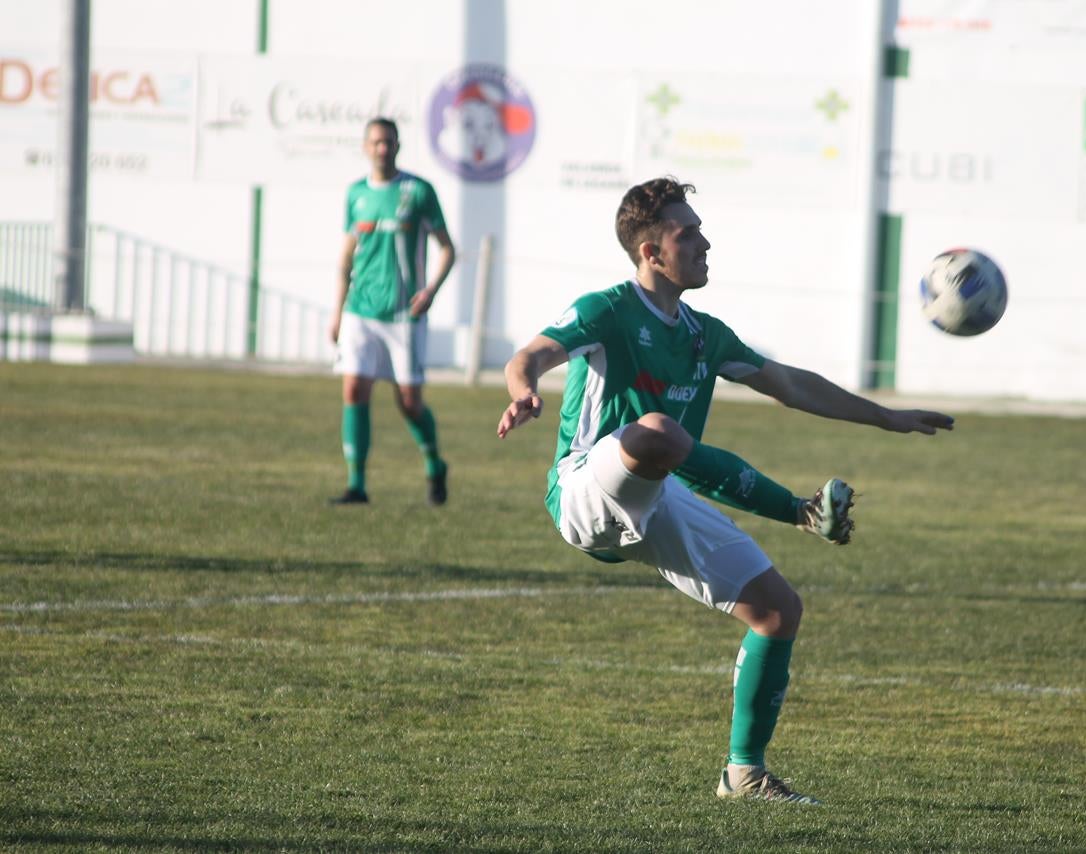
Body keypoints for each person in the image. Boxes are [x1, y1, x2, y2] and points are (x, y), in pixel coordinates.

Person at [496, 177, 954, 804]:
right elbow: (530, 355)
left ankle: (745, 773)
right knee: (656, 432)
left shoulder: (704, 333)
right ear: (650, 252)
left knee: (777, 611)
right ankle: (799, 510)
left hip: (656, 494)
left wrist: (887, 416)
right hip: (584, 487)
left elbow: (792, 384)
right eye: (688, 234)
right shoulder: (608, 308)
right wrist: (523, 391)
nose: (705, 242)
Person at [328, 117, 456, 505]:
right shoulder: (356, 194)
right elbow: (346, 257)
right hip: (360, 310)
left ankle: (435, 465)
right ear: (366, 147)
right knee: (354, 389)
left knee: (410, 401)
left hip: (404, 315)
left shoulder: (417, 191)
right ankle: (357, 485)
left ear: (398, 146)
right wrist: (337, 311)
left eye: (389, 142)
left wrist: (431, 290)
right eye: (376, 142)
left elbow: (447, 248)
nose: (382, 148)